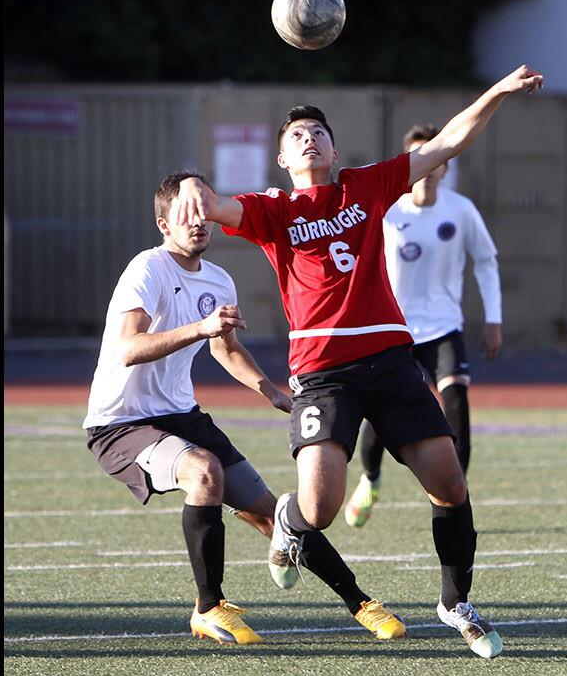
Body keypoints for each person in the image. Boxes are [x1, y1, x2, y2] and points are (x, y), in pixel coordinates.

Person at [171, 64, 545, 658]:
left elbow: (448, 142)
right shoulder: (274, 211)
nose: (308, 137)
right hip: (324, 374)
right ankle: (290, 525)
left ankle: (455, 602)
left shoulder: (367, 186)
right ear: (283, 161)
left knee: (450, 483)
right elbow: (210, 206)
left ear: (334, 147)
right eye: (296, 135)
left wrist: (497, 91)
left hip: (392, 361)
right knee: (320, 509)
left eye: (317, 131)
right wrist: (194, 184)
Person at [82, 172, 407, 648]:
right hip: (120, 423)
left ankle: (360, 602)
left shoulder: (218, 279)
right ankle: (209, 608)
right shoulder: (147, 269)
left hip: (180, 415)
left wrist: (270, 391)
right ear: (162, 223)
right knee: (204, 472)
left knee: (274, 513)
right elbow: (129, 349)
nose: (198, 223)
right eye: (184, 216)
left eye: (202, 214)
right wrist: (200, 326)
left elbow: (225, 350)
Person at [343, 122, 503, 528]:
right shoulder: (386, 211)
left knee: (456, 404)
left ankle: (457, 496)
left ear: (445, 166)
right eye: (420, 159)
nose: (428, 169)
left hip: (445, 328)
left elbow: (485, 261)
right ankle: (371, 478)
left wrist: (494, 320)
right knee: (381, 417)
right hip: (396, 331)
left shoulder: (461, 210)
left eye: (436, 160)